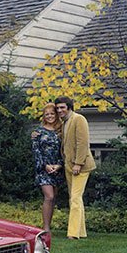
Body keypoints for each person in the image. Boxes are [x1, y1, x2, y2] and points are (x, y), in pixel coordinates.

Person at [54, 96, 96, 239]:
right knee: (75, 198)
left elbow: (82, 143)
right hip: (69, 165)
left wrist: (78, 163)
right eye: (58, 108)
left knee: (75, 198)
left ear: (69, 107)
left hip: (81, 166)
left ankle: (72, 233)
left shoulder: (79, 119)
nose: (59, 110)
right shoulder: (65, 122)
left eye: (62, 107)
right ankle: (81, 232)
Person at [31, 103, 64, 233]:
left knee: (53, 198)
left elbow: (64, 150)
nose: (50, 116)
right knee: (49, 196)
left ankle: (48, 226)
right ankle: (45, 228)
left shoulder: (61, 131)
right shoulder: (38, 132)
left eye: (52, 113)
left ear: (56, 115)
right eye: (47, 114)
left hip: (57, 168)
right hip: (43, 169)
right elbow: (36, 151)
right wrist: (45, 165)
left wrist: (59, 165)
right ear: (44, 116)